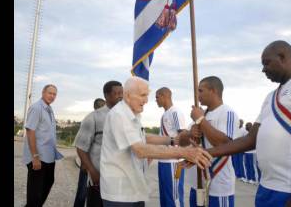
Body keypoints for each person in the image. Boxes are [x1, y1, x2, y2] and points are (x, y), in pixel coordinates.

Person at [206, 40, 291, 207]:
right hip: (267, 188)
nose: (263, 69)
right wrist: (206, 153)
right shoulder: (270, 98)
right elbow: (250, 140)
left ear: (283, 57)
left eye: (266, 63)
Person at [99, 76, 212, 207]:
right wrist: (185, 152)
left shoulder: (131, 114)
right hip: (121, 193)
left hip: (132, 188)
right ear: (128, 95)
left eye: (147, 95)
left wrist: (171, 140)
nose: (146, 100)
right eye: (142, 95)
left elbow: (143, 137)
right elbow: (140, 149)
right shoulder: (120, 115)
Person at [179, 76, 239, 207]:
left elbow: (225, 144)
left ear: (213, 91)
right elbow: (181, 142)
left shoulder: (227, 112)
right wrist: (190, 132)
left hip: (219, 185)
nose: (197, 95)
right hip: (197, 183)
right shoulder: (201, 113)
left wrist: (201, 121)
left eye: (201, 90)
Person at [74, 81, 123, 207]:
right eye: (116, 93)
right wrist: (92, 170)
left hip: (120, 182)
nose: (120, 96)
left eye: (121, 93)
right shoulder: (93, 118)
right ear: (106, 96)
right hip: (99, 181)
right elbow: (80, 147)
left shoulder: (126, 117)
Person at [22, 84, 64, 207]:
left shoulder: (49, 109)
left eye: (54, 94)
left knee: (48, 182)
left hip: (49, 156)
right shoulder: (36, 108)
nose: (52, 96)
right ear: (43, 93)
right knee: (35, 191)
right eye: (50, 93)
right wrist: (35, 156)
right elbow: (30, 132)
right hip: (38, 157)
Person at [155, 87, 187, 207]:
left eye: (157, 97)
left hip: (173, 162)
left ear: (164, 96)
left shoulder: (175, 112)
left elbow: (183, 136)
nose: (156, 100)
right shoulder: (165, 114)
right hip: (163, 161)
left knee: (174, 198)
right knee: (165, 197)